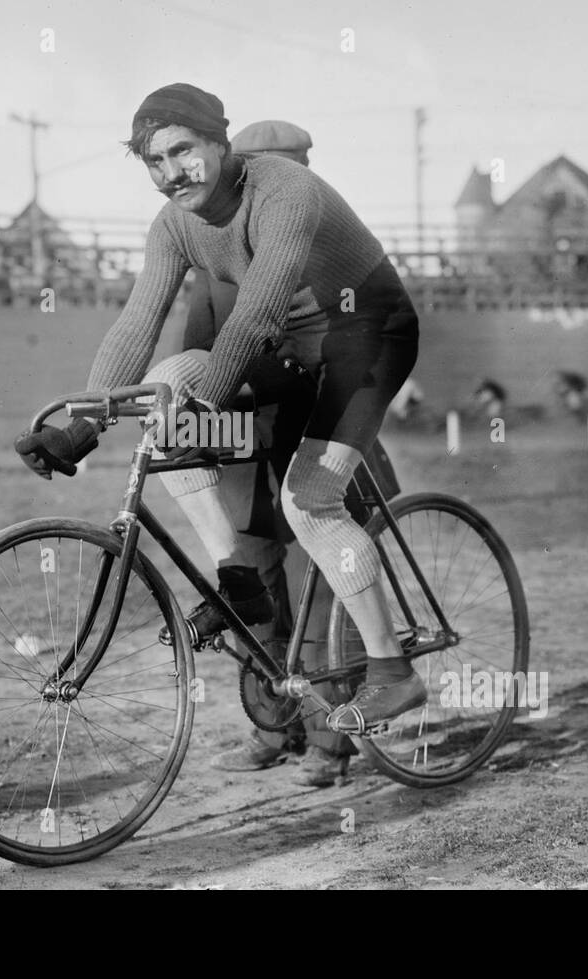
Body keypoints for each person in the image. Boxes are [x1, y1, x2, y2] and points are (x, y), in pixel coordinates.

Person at [15, 83, 425, 736]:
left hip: (366, 336)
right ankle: (236, 576)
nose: (170, 173)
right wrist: (84, 424)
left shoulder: (283, 189)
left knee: (308, 501)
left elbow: (256, 315)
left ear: (221, 141)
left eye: (183, 151)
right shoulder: (174, 224)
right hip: (291, 347)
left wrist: (200, 409)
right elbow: (138, 321)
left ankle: (392, 670)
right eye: (154, 162)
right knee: (164, 388)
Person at [173, 119, 357, 786]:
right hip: (248, 438)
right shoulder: (219, 251)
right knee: (252, 582)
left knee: (319, 588)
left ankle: (332, 741)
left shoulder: (333, 249)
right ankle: (272, 725)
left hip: (315, 431)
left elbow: (334, 349)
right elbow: (198, 343)